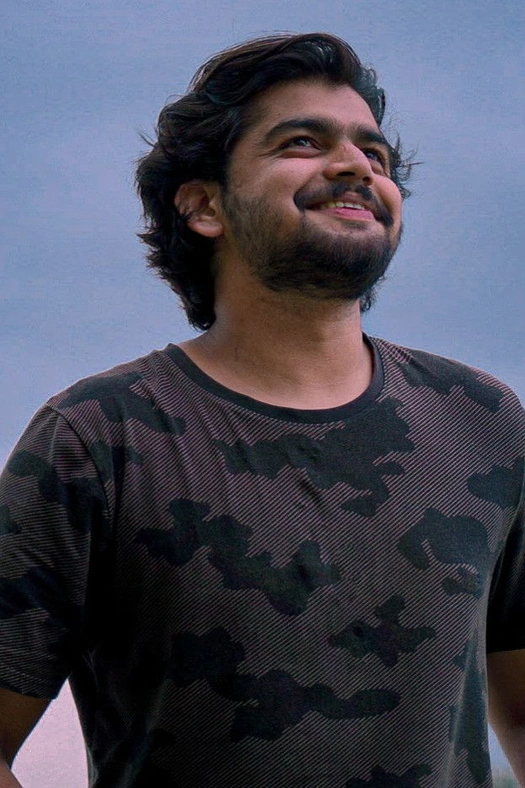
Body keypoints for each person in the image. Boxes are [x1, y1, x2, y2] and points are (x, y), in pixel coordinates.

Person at [0, 32, 523, 788]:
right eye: (303, 142)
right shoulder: (96, 439)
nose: (356, 166)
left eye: (375, 154)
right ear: (204, 205)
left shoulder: (484, 423)